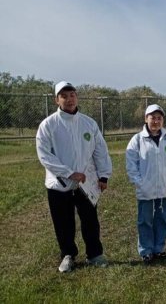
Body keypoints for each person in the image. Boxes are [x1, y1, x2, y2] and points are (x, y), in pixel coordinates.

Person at [36, 81, 112, 273]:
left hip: (86, 184)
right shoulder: (48, 125)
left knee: (90, 220)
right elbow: (45, 155)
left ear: (77, 97)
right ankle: (68, 255)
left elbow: (100, 151)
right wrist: (69, 173)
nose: (69, 99)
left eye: (72, 95)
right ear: (57, 100)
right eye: (64, 96)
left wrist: (103, 176)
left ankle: (95, 254)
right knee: (63, 222)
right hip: (58, 184)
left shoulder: (88, 123)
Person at [126, 104, 166, 263]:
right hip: (145, 189)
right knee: (144, 220)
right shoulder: (137, 140)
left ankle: (159, 248)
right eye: (153, 118)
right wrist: (140, 183)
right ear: (146, 119)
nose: (156, 121)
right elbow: (131, 166)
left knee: (163, 218)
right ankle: (146, 250)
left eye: (159, 118)